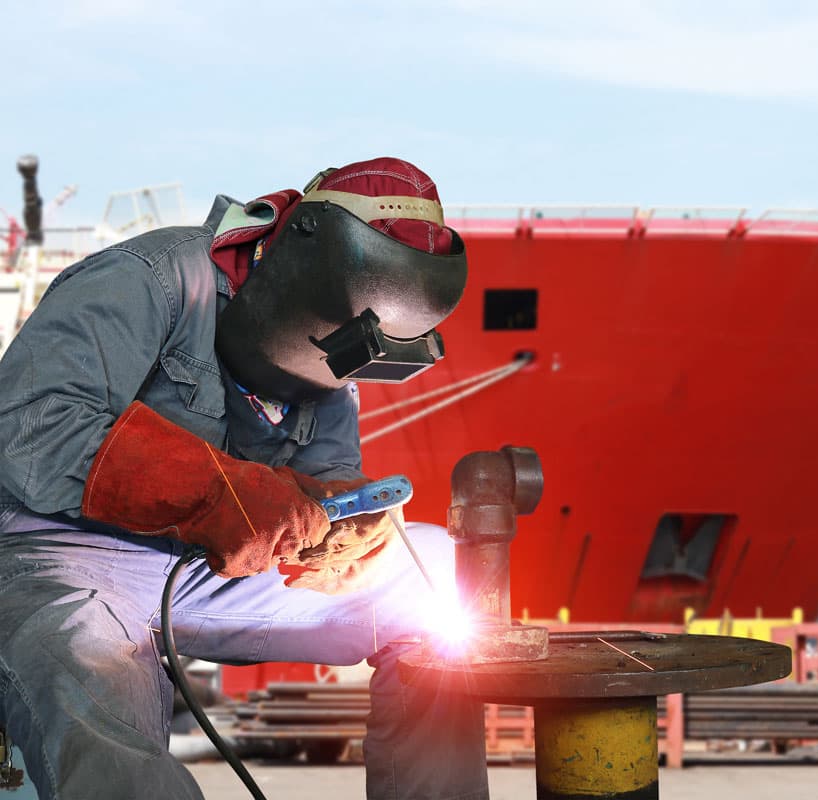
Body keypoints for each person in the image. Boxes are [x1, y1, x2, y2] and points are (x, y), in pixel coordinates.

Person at [0, 158, 488, 799]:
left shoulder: (338, 351)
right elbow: (32, 426)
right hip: (60, 560)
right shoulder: (150, 278)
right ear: (301, 252)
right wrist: (215, 491)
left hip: (215, 574)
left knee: (432, 574)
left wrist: (350, 528)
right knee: (96, 697)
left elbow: (329, 473)